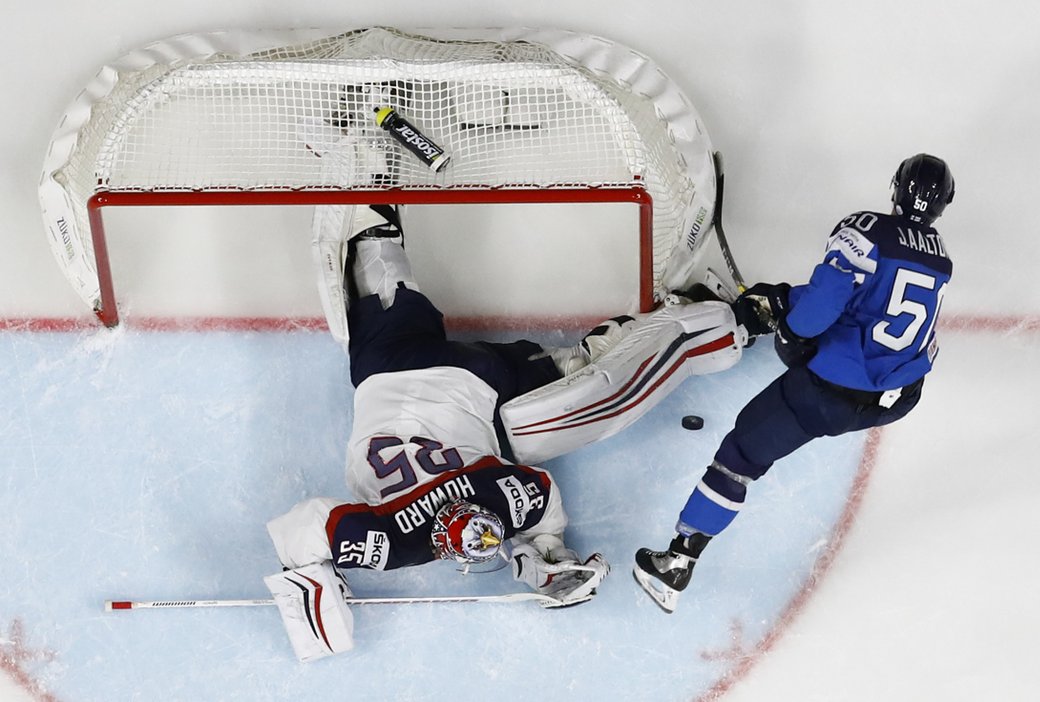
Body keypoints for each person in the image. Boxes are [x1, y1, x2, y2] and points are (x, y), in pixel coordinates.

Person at [263, 196, 777, 660]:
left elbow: (538, 493)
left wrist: (549, 556)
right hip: (387, 369)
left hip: (476, 381)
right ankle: (372, 182)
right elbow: (298, 527)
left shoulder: (493, 501)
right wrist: (313, 586)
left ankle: (710, 324)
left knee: (592, 391)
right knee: (379, 264)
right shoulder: (393, 540)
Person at [634, 153, 956, 613]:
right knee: (790, 316)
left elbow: (829, 297)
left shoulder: (868, 229)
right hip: (887, 397)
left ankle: (678, 561)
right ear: (945, 202)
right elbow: (884, 311)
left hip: (824, 394)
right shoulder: (941, 259)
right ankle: (766, 314)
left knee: (738, 458)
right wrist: (783, 299)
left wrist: (793, 330)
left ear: (896, 186)